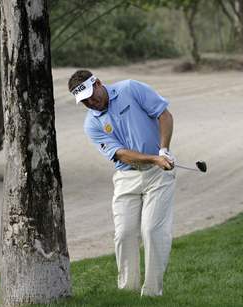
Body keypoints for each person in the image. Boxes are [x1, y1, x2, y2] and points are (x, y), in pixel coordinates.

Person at [68, 70, 176, 296]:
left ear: (97, 83)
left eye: (91, 95)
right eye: (84, 101)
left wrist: (163, 150)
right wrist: (154, 158)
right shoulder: (92, 125)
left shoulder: (130, 88)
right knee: (125, 233)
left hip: (158, 174)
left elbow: (164, 115)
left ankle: (152, 293)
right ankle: (128, 292)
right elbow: (122, 155)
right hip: (126, 177)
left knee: (152, 230)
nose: (90, 102)